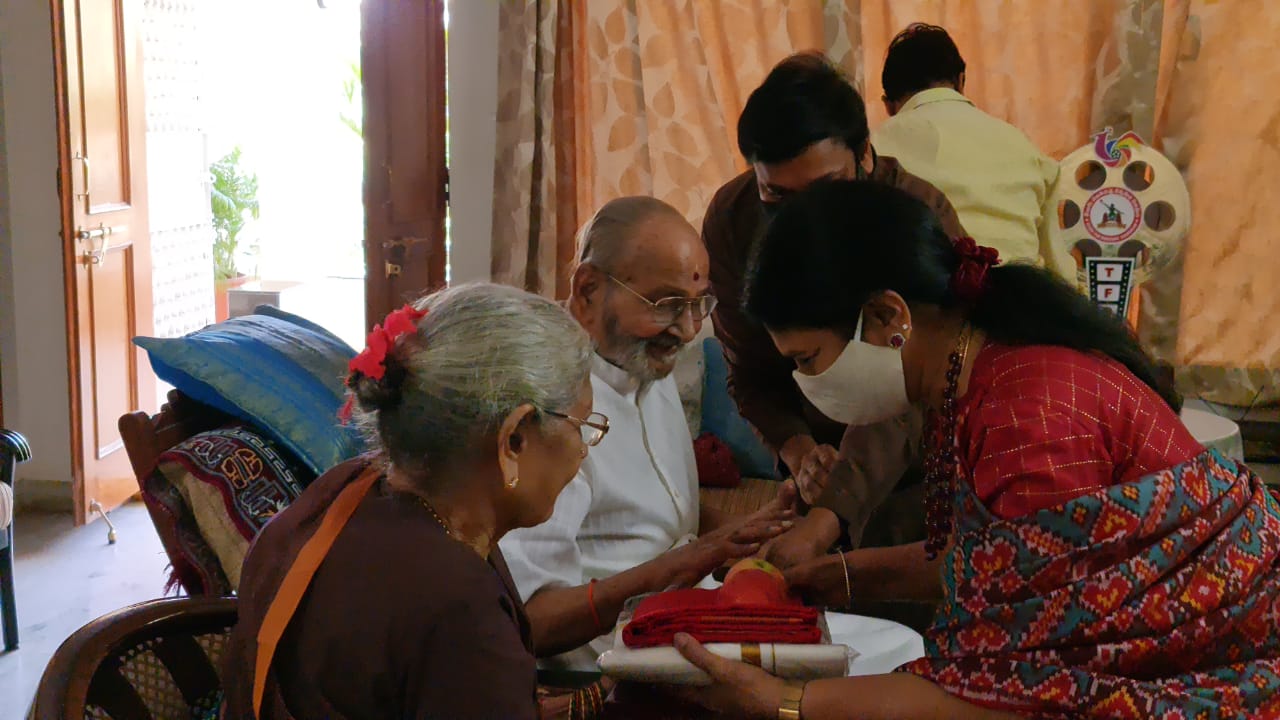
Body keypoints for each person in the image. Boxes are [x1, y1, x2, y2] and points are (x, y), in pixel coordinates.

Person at [669, 179, 1280, 718]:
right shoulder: (988, 374)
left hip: (1235, 678)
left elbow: (1020, 693)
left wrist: (779, 702)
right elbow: (1012, 564)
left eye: (808, 359)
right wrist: (842, 576)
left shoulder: (1029, 419)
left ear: (887, 317)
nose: (808, 385)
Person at [221, 283, 600, 720]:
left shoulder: (341, 492)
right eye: (581, 425)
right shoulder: (458, 608)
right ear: (513, 439)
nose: (583, 449)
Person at [499, 196, 794, 670]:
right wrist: (693, 559)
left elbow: (652, 521)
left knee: (886, 648)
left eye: (699, 305)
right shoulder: (547, 403)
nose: (688, 328)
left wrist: (746, 533)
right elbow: (530, 621)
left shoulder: (643, 365)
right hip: (608, 673)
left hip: (688, 632)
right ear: (589, 290)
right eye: (667, 304)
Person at [703, 52, 964, 567]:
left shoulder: (915, 217)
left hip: (913, 473)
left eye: (824, 190)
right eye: (776, 195)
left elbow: (913, 384)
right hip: (817, 475)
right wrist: (799, 452)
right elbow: (750, 372)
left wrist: (830, 516)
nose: (805, 218)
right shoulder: (733, 222)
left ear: (864, 155)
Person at [873, 23, 1073, 278]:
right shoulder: (1026, 149)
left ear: (888, 105)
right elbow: (1059, 271)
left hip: (918, 310)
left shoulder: (874, 150)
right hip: (1019, 306)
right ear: (961, 80)